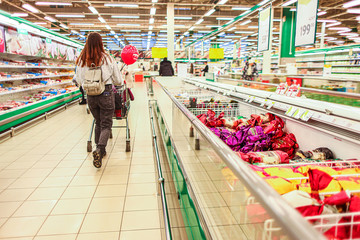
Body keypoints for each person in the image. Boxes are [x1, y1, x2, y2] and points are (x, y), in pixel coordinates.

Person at [75, 32, 123, 168]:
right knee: (106, 124)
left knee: (98, 122)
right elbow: (118, 80)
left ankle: (100, 150)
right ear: (101, 43)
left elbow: (79, 80)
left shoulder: (82, 60)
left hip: (90, 95)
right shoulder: (107, 58)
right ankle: (100, 149)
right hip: (106, 93)